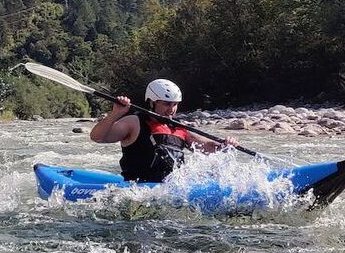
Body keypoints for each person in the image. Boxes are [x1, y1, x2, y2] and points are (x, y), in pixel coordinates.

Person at [90, 78, 239, 182]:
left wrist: (224, 145)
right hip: (138, 188)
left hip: (170, 189)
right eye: (167, 104)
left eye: (175, 104)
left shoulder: (180, 127)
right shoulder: (134, 122)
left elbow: (206, 147)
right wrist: (115, 114)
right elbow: (97, 137)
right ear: (151, 102)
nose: (172, 110)